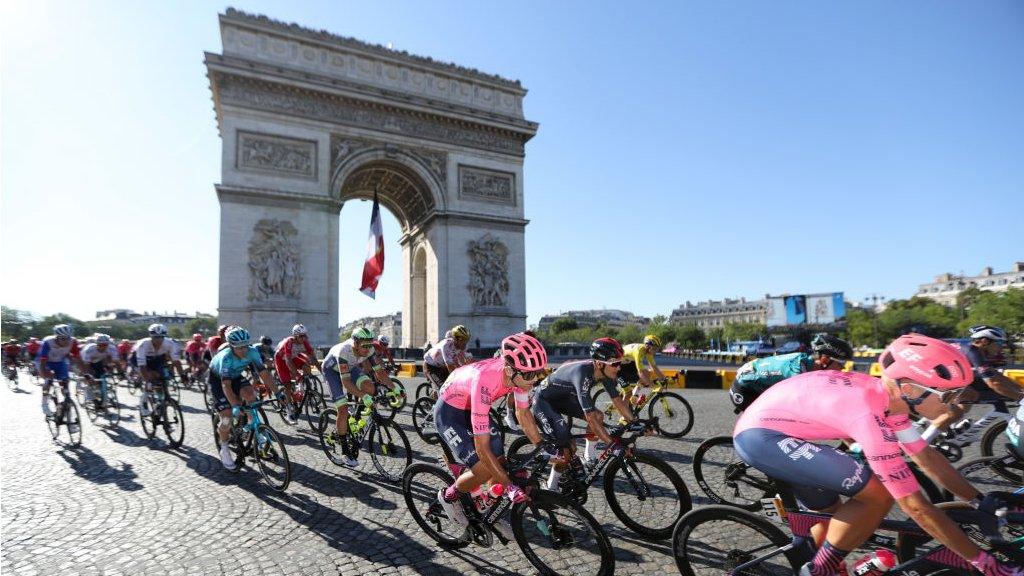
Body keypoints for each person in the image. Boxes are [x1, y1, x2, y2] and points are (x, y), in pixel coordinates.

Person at [733, 333, 1021, 576]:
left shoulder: (892, 402)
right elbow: (916, 507)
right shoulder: (870, 416)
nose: (955, 406)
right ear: (910, 388)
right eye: (948, 396)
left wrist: (978, 500)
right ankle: (818, 571)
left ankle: (827, 563)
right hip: (761, 437)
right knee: (878, 495)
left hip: (779, 426)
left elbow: (927, 457)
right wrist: (983, 562)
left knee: (835, 514)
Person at [434, 332, 546, 541]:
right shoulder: (485, 381)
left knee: (500, 462)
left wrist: (542, 444)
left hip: (472, 406)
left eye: (539, 373)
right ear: (510, 369)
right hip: (450, 413)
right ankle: (450, 496)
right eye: (531, 375)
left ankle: (486, 507)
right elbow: (482, 450)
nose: (536, 380)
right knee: (484, 468)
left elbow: (523, 413)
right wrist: (509, 486)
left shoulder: (520, 377)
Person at [531, 337, 636, 490]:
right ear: (599, 363)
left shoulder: (604, 373)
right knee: (567, 450)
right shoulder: (582, 374)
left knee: (599, 416)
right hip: (544, 401)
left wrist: (635, 422)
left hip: (563, 398)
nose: (619, 368)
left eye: (620, 362)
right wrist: (612, 445)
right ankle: (551, 487)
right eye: (615, 363)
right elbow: (590, 419)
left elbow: (618, 401)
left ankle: (589, 456)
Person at [209, 327, 281, 470]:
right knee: (227, 416)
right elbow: (226, 385)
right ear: (231, 346)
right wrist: (235, 404)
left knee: (251, 397)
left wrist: (278, 393)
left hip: (236, 377)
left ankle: (252, 425)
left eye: (245, 346)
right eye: (239, 347)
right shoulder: (226, 357)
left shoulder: (252, 352)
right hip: (219, 380)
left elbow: (264, 374)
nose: (243, 350)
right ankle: (224, 447)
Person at [729, 333, 854, 413]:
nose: (843, 369)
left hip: (756, 385)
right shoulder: (797, 371)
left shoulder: (807, 364)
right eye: (841, 364)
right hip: (745, 390)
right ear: (825, 360)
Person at [320, 327, 385, 467]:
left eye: (370, 344)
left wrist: (395, 388)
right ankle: (344, 450)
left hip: (349, 367)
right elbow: (346, 383)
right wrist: (363, 396)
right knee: (342, 409)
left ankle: (354, 419)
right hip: (331, 371)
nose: (368, 348)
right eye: (365, 345)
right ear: (355, 343)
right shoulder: (344, 350)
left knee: (370, 387)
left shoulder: (370, 349)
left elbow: (380, 372)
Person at [134, 324, 185, 415]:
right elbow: (142, 366)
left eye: (161, 337)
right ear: (151, 336)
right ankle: (143, 402)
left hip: (157, 357)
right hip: (139, 358)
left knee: (161, 379)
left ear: (164, 336)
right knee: (150, 378)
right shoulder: (143, 344)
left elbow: (176, 362)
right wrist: (148, 380)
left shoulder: (170, 343)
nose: (158, 340)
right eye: (155, 337)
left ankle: (160, 402)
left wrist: (183, 375)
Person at [273, 324, 319, 424]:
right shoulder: (289, 342)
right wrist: (297, 374)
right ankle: (289, 412)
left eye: (305, 336)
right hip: (281, 360)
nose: (303, 338)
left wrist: (323, 372)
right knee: (288, 386)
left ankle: (301, 387)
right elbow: (288, 361)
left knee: (306, 365)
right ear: (295, 336)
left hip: (292, 358)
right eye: (301, 336)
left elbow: (313, 357)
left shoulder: (304, 341)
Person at [37, 324, 81, 416]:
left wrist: (82, 372)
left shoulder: (73, 342)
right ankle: (44, 404)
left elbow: (78, 359)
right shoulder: (48, 342)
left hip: (59, 362)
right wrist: (43, 373)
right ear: (56, 338)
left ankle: (67, 404)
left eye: (68, 338)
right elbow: (43, 360)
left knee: (65, 382)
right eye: (63, 339)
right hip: (46, 362)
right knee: (48, 380)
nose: (66, 341)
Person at [618, 334, 667, 404]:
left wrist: (663, 378)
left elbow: (654, 367)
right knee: (627, 393)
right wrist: (652, 386)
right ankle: (624, 413)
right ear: (648, 346)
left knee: (647, 373)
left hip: (628, 362)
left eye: (657, 349)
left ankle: (634, 395)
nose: (656, 351)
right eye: (655, 348)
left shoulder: (648, 352)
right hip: (618, 366)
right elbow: (641, 373)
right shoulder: (639, 351)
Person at [422, 325, 471, 392]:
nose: (465, 344)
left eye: (467, 340)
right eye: (463, 341)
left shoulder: (463, 346)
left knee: (451, 385)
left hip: (442, 366)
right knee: (443, 388)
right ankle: (436, 397)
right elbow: (450, 367)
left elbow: (462, 363)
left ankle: (437, 394)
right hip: (430, 366)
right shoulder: (447, 346)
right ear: (455, 340)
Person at [77, 334, 120, 407]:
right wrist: (89, 376)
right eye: (100, 345)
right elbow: (86, 366)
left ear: (108, 345)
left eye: (105, 345)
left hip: (98, 360)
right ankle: (90, 397)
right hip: (86, 362)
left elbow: (116, 361)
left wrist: (121, 372)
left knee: (101, 377)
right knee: (90, 378)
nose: (103, 347)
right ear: (96, 344)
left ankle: (101, 392)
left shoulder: (111, 348)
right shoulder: (90, 349)